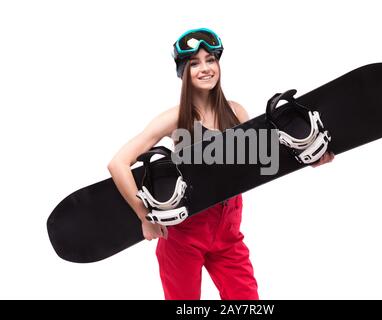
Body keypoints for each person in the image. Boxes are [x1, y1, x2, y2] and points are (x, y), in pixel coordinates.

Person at [107, 28, 334, 300]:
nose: (205, 68)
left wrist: (309, 160)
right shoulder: (176, 118)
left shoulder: (236, 112)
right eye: (195, 63)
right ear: (183, 73)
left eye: (211, 60)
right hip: (184, 235)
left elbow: (262, 162)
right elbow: (118, 163)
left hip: (228, 232)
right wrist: (145, 217)